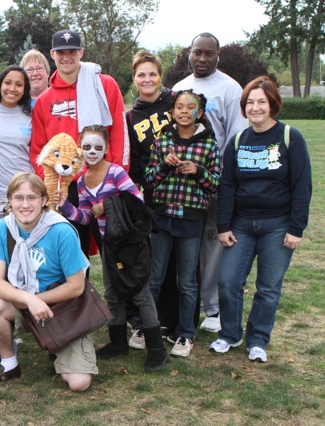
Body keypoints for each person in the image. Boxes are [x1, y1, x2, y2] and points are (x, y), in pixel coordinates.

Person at [209, 76, 312, 363]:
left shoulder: (291, 137)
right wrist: (223, 226)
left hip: (277, 226)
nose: (255, 108)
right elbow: (227, 185)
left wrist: (296, 227)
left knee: (268, 287)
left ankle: (258, 340)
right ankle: (230, 334)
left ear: (273, 105)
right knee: (228, 281)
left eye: (261, 102)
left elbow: (302, 185)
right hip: (241, 225)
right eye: (250, 102)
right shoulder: (239, 140)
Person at [58, 125, 168, 371]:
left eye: (98, 147)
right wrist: (65, 206)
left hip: (132, 244)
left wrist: (106, 205)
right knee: (112, 292)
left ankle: (158, 350)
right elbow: (86, 218)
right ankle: (118, 343)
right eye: (87, 147)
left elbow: (136, 202)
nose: (92, 151)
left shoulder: (116, 172)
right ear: (80, 149)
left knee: (140, 293)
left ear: (106, 148)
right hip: (110, 245)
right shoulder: (82, 181)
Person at [0, 172, 94, 391]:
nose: (25, 204)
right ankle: (9, 363)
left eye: (32, 197)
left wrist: (38, 300)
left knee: (79, 383)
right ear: (9, 201)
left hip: (62, 307)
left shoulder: (62, 231)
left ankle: (58, 345)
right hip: (24, 302)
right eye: (18, 198)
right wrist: (29, 300)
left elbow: (76, 286)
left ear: (44, 200)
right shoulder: (0, 229)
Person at [30, 29, 129, 260]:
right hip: (67, 187)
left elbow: (119, 136)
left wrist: (118, 177)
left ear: (81, 52)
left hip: (102, 180)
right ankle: (77, 296)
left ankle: (118, 297)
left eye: (72, 52)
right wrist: (49, 186)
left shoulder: (103, 85)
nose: (67, 57)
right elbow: (39, 149)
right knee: (71, 254)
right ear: (52, 54)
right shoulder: (45, 100)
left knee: (116, 254)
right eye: (61, 52)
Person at [173, 33, 248, 333]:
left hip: (214, 182)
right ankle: (184, 305)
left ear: (218, 56)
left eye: (209, 53)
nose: (202, 59)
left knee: (212, 246)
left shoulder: (230, 88)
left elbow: (236, 137)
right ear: (189, 54)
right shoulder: (179, 88)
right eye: (197, 53)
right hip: (182, 185)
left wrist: (220, 178)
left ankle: (213, 309)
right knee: (186, 246)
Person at [145, 90, 221, 358]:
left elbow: (215, 183)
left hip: (191, 220)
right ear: (173, 112)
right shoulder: (162, 140)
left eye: (191, 107)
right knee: (154, 278)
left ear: (199, 113)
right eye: (179, 107)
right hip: (163, 217)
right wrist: (165, 167)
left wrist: (198, 171)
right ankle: (148, 327)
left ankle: (185, 332)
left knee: (187, 281)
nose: (185, 111)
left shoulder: (209, 144)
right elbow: (149, 180)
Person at [125, 49, 179, 349]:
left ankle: (177, 319)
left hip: (184, 192)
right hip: (154, 196)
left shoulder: (176, 102)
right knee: (154, 260)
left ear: (161, 75)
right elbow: (133, 165)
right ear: (134, 80)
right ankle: (148, 318)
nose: (147, 79)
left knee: (181, 261)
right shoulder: (130, 117)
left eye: (152, 73)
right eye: (141, 74)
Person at [0, 65, 33, 221]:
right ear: (0, 85)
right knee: (5, 241)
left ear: (24, 89)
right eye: (8, 83)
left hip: (29, 190)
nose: (12, 88)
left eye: (19, 84)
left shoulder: (30, 115)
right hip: (1, 193)